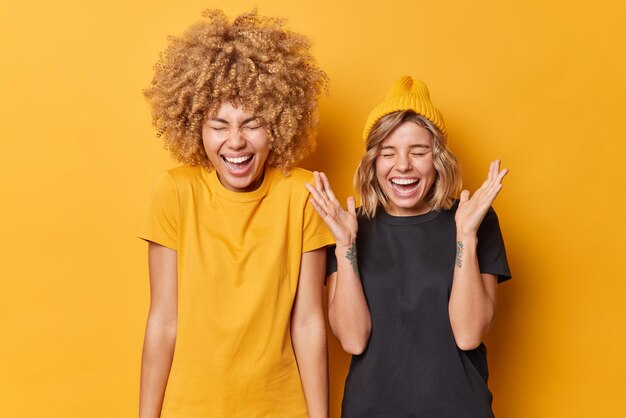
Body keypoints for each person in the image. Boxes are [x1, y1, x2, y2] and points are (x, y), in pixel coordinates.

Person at [138, 10, 333, 418]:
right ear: (194, 126)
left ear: (280, 124)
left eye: (252, 123)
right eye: (219, 124)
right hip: (190, 407)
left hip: (281, 408)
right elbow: (163, 321)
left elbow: (310, 323)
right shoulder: (175, 191)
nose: (235, 141)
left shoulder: (302, 192)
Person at [306, 76, 511, 417]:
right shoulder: (349, 227)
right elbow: (353, 340)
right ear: (373, 162)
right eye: (388, 153)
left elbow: (468, 334)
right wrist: (345, 246)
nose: (403, 165)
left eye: (419, 152)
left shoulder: (475, 221)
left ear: (439, 160)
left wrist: (466, 237)